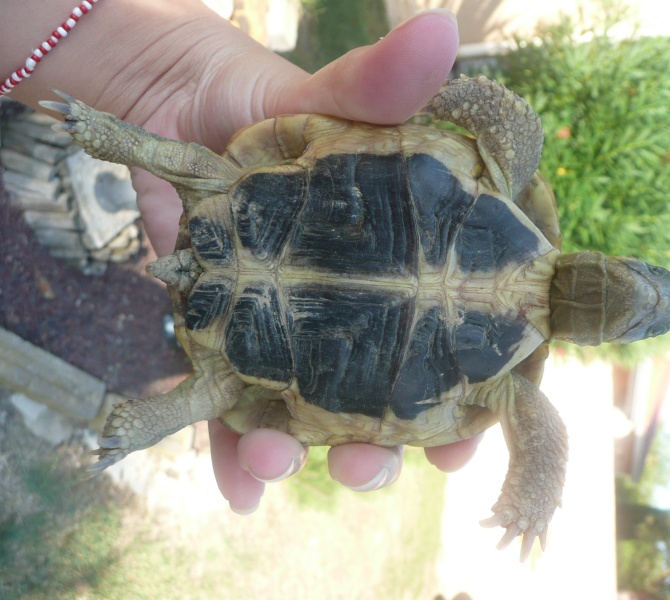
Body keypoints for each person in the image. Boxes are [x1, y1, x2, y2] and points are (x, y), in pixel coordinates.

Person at [1, 0, 482, 514]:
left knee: (183, 165)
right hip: (242, 328)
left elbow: (474, 115)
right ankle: (131, 434)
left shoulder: (513, 389)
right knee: (211, 392)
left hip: (247, 208)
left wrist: (453, 99)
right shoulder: (505, 394)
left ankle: (129, 434)